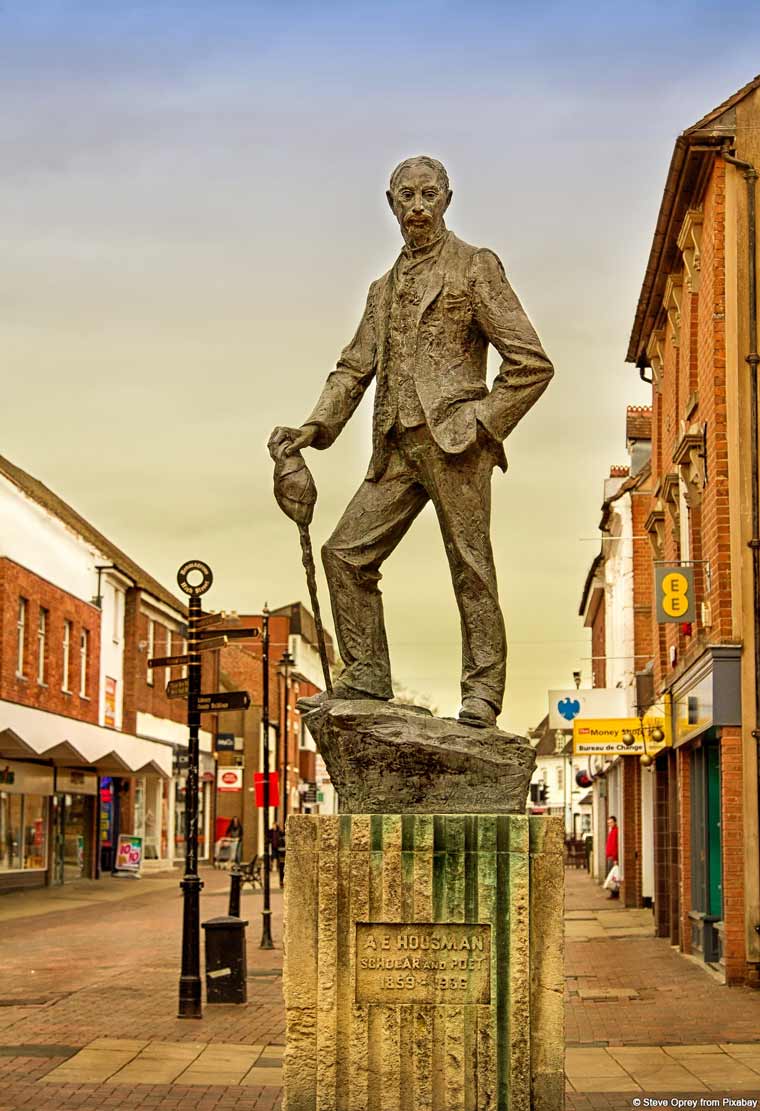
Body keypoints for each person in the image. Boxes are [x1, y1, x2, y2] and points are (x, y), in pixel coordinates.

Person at [269, 156, 553, 728]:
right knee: (345, 554)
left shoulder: (475, 266)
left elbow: (531, 363)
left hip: (456, 440)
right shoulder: (381, 289)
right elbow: (352, 368)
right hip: (395, 444)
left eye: (428, 194)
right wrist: (314, 428)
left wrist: (481, 422)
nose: (417, 206)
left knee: (470, 567)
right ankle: (367, 673)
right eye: (406, 196)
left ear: (448, 198)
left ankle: (482, 694)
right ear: (391, 203)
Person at [605, 815, 619, 899]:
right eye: (608, 823)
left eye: (611, 822)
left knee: (612, 876)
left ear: (615, 822)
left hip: (612, 857)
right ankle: (613, 892)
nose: (609, 824)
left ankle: (614, 893)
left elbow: (615, 845)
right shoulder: (612, 831)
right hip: (610, 856)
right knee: (611, 875)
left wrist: (615, 858)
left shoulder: (616, 831)